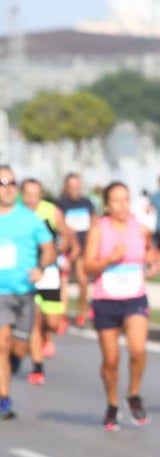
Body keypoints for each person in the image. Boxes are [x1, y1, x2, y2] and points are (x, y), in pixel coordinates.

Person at [82, 182, 156, 430]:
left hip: (134, 297)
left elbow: (150, 255)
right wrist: (109, 259)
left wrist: (152, 264)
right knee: (111, 360)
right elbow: (87, 267)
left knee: (137, 349)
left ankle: (133, 393)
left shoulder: (140, 230)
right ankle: (113, 403)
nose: (122, 205)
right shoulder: (98, 230)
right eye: (116, 200)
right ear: (107, 204)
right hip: (106, 299)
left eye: (126, 199)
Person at [0, 165, 56, 420]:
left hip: (25, 292)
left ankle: (5, 375)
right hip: (1, 293)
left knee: (19, 349)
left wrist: (41, 267)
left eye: (12, 183)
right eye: (2, 183)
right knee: (2, 344)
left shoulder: (29, 218)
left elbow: (48, 247)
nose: (8, 188)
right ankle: (4, 399)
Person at [20, 178, 74, 385]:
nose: (31, 198)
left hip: (49, 272)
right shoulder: (17, 214)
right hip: (28, 273)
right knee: (34, 318)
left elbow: (65, 236)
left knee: (52, 321)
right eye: (28, 194)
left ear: (40, 195)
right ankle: (37, 366)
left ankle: (45, 335)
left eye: (35, 194)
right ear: (22, 195)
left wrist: (57, 251)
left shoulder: (51, 212)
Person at [58, 172, 96, 326]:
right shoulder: (61, 204)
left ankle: (82, 312)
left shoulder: (86, 203)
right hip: (67, 250)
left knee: (82, 280)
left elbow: (94, 223)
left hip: (84, 249)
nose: (75, 189)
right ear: (66, 187)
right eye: (72, 186)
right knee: (63, 282)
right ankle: (62, 315)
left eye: (77, 186)